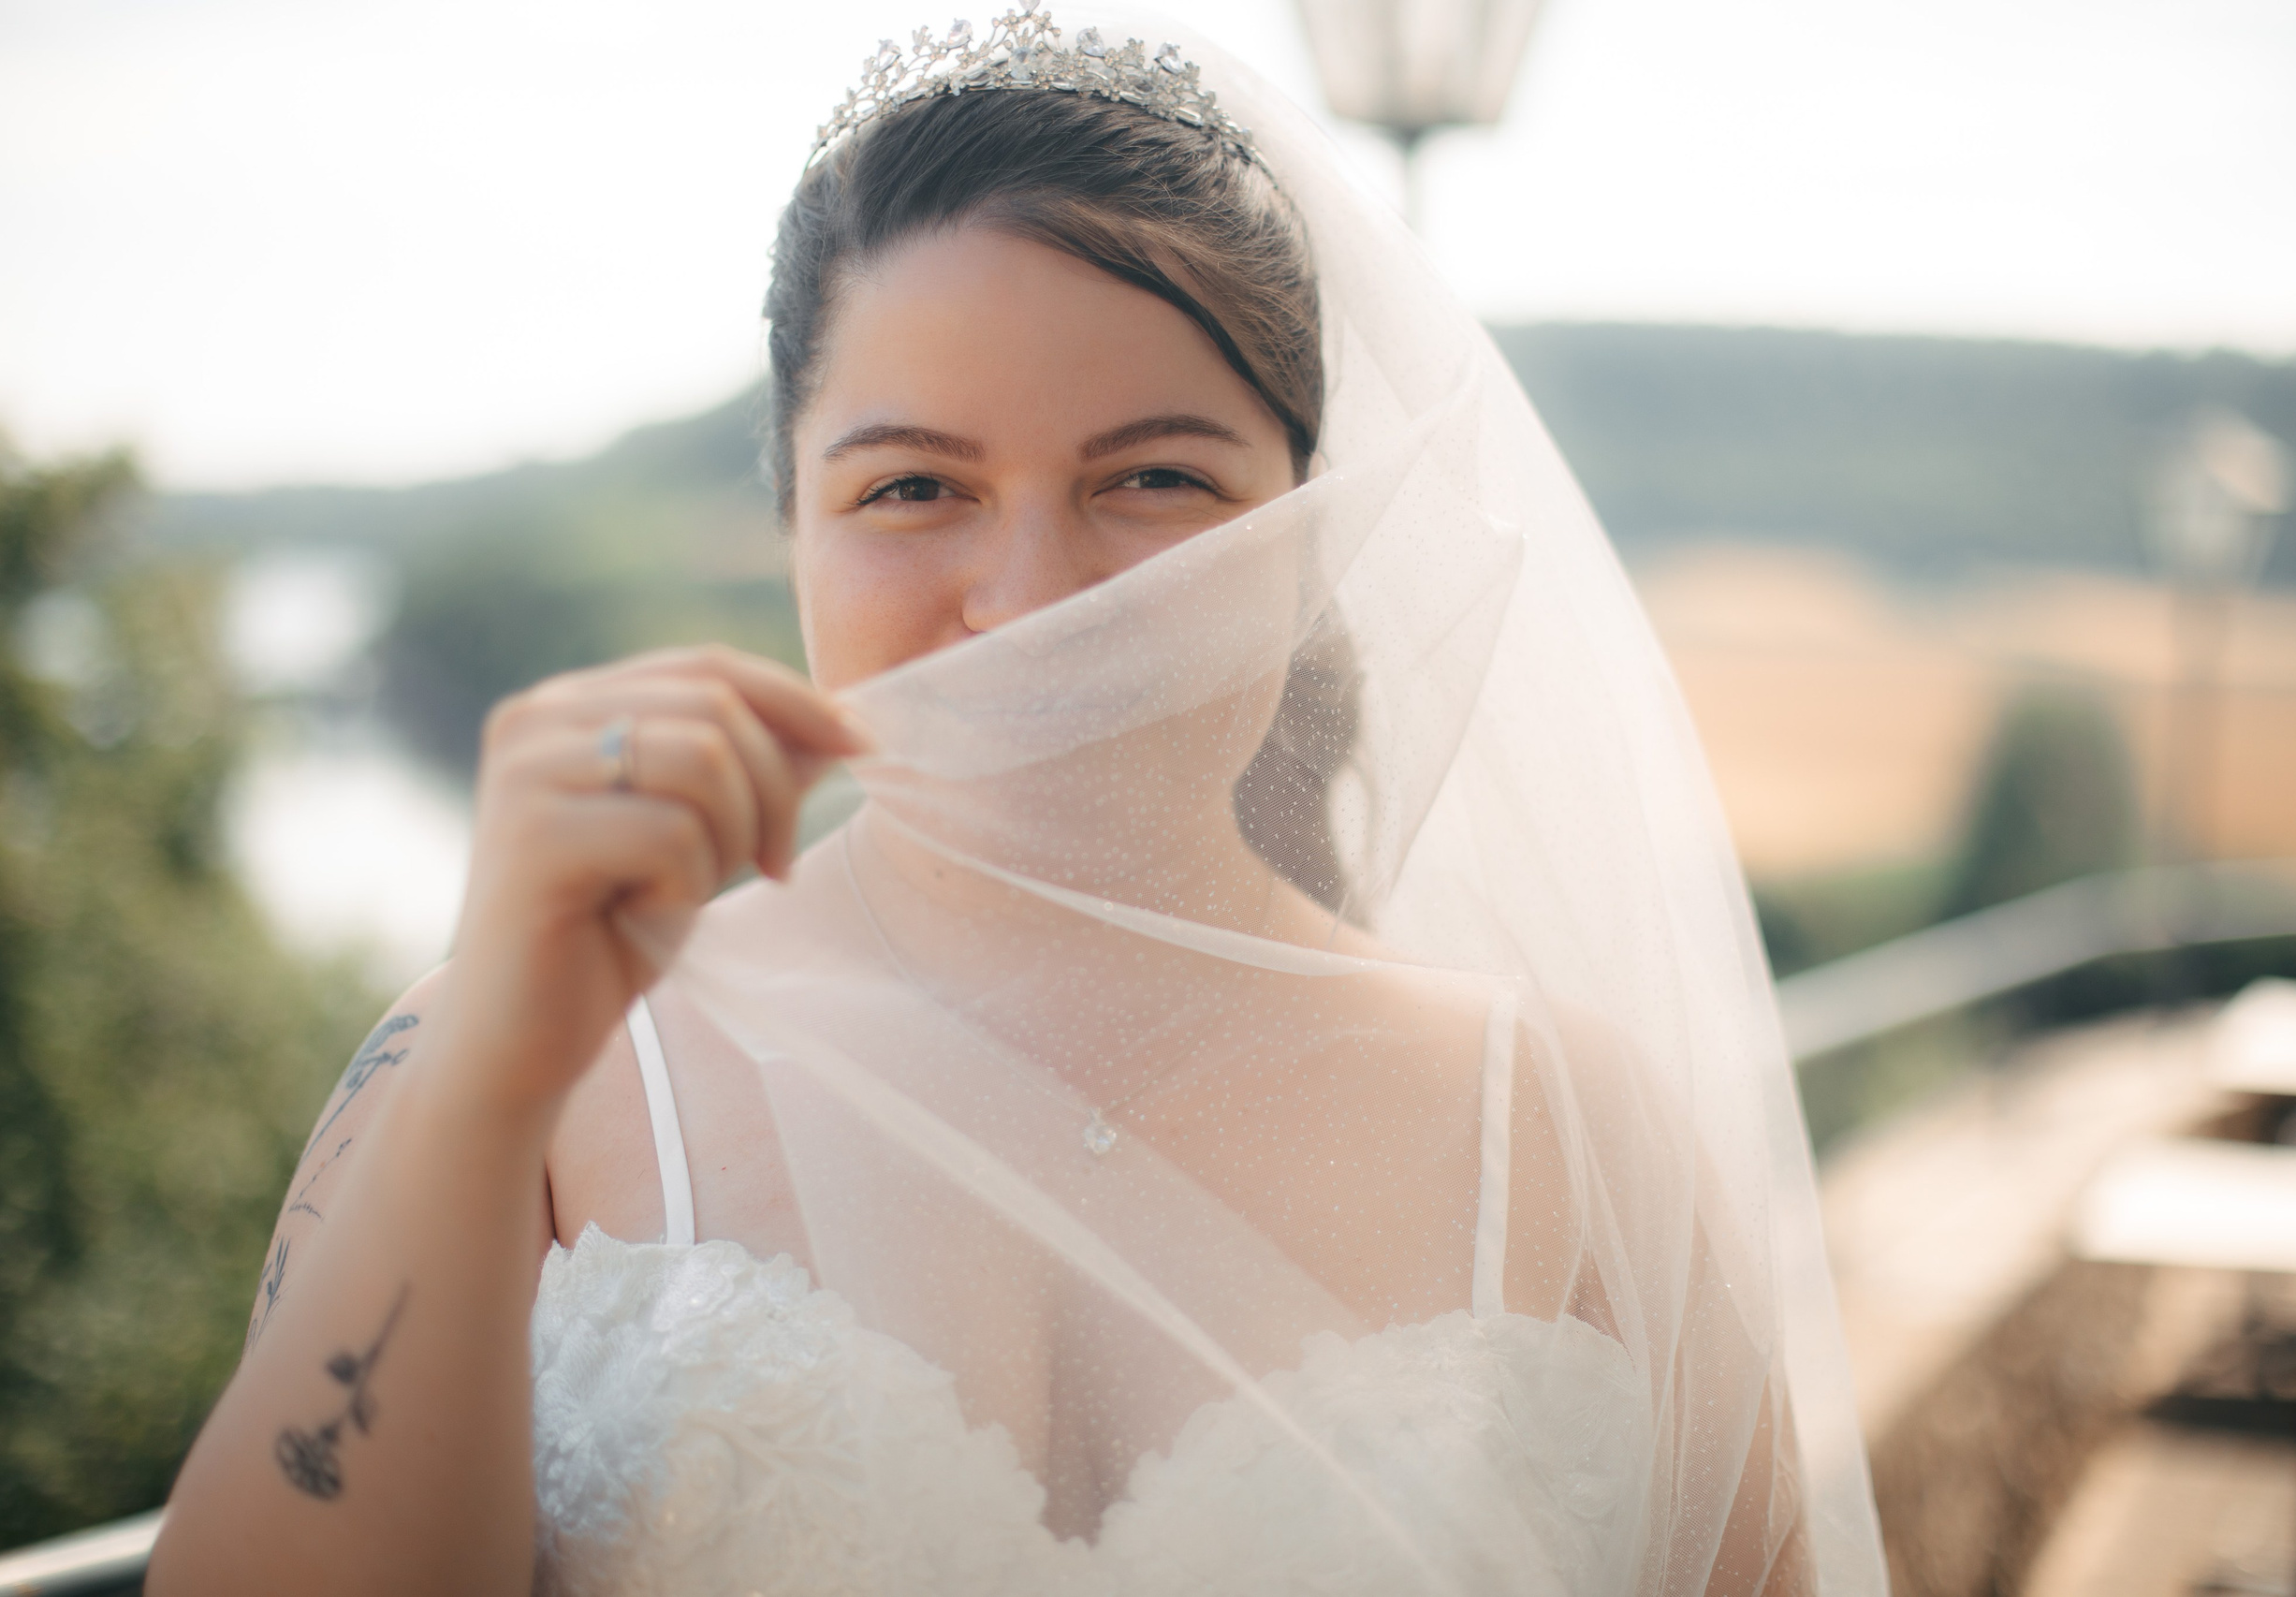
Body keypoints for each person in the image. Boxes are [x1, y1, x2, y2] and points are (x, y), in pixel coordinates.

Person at [150, 10, 1886, 1593]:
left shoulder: (1563, 1125)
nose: (1035, 596)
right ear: (792, 525)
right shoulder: (526, 1068)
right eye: (915, 486)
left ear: (1307, 533)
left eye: (1154, 478)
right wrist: (482, 1089)